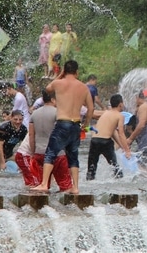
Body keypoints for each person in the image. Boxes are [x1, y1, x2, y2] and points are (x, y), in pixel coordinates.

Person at [31, 60, 94, 194]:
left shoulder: (58, 83)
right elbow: (91, 108)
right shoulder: (84, 87)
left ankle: (43, 184)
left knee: (50, 153)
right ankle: (75, 187)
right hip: (76, 124)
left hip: (62, 122)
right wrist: (86, 124)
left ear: (65, 71)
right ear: (77, 72)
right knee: (73, 156)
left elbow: (47, 89)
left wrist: (60, 75)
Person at [15, 90, 72, 190]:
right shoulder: (59, 113)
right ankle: (65, 205)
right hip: (57, 154)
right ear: (53, 100)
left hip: (39, 154)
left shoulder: (34, 114)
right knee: (65, 185)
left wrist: (33, 153)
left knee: (42, 185)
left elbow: (31, 136)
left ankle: (42, 204)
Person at [86, 94, 131, 180]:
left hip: (94, 140)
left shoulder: (105, 113)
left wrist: (122, 147)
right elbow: (121, 134)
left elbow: (113, 132)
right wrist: (127, 150)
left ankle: (89, 182)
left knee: (91, 167)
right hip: (105, 142)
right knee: (115, 166)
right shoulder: (120, 116)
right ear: (120, 104)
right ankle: (120, 182)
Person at [126, 90, 147, 173]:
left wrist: (130, 139)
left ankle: (142, 185)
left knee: (141, 168)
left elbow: (141, 125)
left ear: (137, 97)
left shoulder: (143, 107)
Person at [0, 110, 27, 176]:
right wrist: (2, 162)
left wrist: (22, 162)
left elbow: (23, 146)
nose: (18, 122)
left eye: (20, 119)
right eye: (15, 119)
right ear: (11, 118)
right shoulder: (3, 128)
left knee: (25, 169)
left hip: (9, 154)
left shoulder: (23, 129)